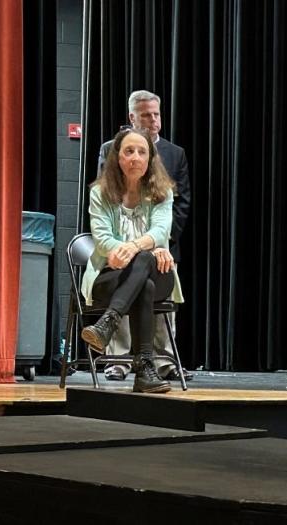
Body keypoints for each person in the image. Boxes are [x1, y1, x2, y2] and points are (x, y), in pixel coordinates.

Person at [97, 90, 192, 382]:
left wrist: (163, 243)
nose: (152, 121)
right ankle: (120, 360)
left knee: (160, 301)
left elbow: (181, 203)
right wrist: (128, 246)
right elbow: (107, 198)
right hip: (121, 244)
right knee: (133, 278)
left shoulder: (175, 154)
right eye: (146, 115)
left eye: (156, 114)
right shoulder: (111, 150)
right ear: (132, 118)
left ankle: (163, 361)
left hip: (160, 247)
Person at [81, 128, 183, 394]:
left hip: (159, 272)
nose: (135, 157)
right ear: (117, 158)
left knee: (147, 262)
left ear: (150, 159)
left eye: (142, 152)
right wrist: (142, 249)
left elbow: (161, 231)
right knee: (144, 286)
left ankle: (108, 322)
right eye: (129, 151)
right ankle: (144, 370)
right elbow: (102, 239)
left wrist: (136, 248)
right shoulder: (100, 193)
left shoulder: (162, 193)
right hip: (110, 274)